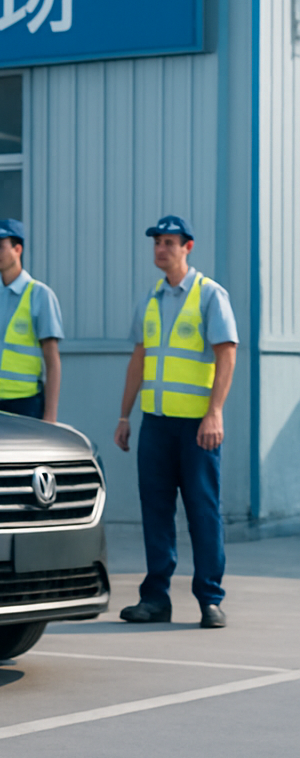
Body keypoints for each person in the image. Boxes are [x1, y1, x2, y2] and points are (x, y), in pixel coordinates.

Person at [114, 215, 239, 628]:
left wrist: (214, 412)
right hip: (156, 425)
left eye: (169, 242)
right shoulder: (150, 300)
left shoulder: (209, 295)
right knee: (156, 510)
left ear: (188, 247)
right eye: (157, 243)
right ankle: (155, 600)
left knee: (202, 511)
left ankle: (210, 599)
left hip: (197, 428)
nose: (161, 249)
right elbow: (139, 358)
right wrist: (124, 415)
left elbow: (226, 354)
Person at [0, 218, 64, 422]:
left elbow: (53, 361)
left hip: (25, 406)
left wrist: (50, 416)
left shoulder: (40, 296)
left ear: (18, 249)